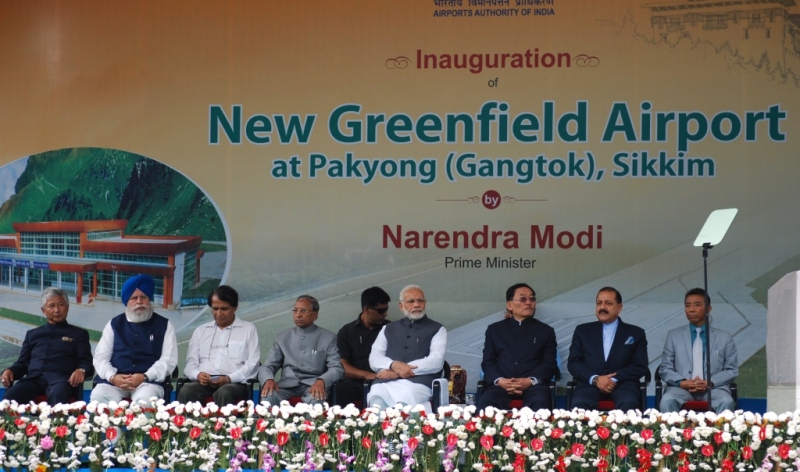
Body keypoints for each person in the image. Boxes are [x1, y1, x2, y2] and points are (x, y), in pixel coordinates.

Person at [90, 274, 178, 404]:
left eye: (143, 297)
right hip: (115, 381)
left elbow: (168, 360)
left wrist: (145, 377)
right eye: (134, 298)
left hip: (148, 382)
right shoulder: (114, 324)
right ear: (127, 301)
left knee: (146, 399)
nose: (139, 302)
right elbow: (101, 357)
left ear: (149, 299)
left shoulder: (165, 325)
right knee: (99, 395)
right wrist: (113, 377)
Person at [1, 288, 93, 405]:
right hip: (33, 380)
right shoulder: (32, 334)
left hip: (61, 381)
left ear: (67, 307)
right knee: (11, 395)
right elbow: (23, 363)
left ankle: (59, 419)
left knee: (57, 394)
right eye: (51, 306)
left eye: (61, 305)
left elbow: (86, 362)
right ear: (43, 310)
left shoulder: (78, 334)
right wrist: (9, 370)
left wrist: (81, 370)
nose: (57, 310)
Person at [479, 283, 558, 411]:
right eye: (523, 299)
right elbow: (488, 361)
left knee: (540, 401)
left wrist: (530, 381)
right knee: (487, 402)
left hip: (533, 386)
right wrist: (500, 381)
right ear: (509, 305)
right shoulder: (495, 330)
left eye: (532, 299)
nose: (529, 303)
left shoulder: (545, 331)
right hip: (501, 385)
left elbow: (549, 363)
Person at [367, 285, 447, 411]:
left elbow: (436, 361)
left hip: (419, 382)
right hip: (386, 381)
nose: (416, 305)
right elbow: (374, 358)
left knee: (407, 394)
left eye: (420, 301)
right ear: (401, 306)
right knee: (376, 395)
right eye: (411, 301)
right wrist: (392, 364)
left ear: (425, 303)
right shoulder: (388, 328)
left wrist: (398, 372)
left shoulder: (437, 329)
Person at [568, 287, 649, 411]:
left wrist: (613, 379)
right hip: (589, 384)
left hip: (623, 384)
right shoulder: (582, 331)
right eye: (599, 303)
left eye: (608, 303)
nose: (602, 307)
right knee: (580, 403)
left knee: (628, 402)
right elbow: (574, 363)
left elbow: (640, 366)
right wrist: (596, 379)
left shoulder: (635, 333)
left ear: (619, 307)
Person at [658, 288, 738, 413]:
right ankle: (672, 427)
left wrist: (710, 383)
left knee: (726, 401)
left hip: (714, 388)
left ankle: (720, 427)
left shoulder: (725, 338)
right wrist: (682, 382)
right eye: (687, 305)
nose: (691, 309)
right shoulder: (673, 335)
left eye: (697, 305)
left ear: (708, 309)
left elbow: (731, 370)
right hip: (681, 389)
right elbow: (665, 368)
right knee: (667, 400)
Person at [178, 286, 260, 405]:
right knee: (187, 390)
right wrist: (198, 375)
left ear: (235, 307)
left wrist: (229, 378)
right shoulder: (201, 330)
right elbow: (190, 364)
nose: (219, 313)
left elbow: (253, 363)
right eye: (215, 309)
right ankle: (187, 418)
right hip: (203, 382)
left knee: (225, 392)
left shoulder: (248, 329)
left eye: (224, 309)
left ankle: (225, 419)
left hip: (234, 383)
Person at [258, 295, 343, 405]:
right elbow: (267, 366)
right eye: (295, 310)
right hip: (286, 384)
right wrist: (268, 380)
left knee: (316, 399)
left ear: (315, 315)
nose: (298, 315)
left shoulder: (328, 337)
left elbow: (336, 368)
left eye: (303, 311)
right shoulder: (282, 337)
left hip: (313, 385)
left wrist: (322, 380)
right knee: (269, 396)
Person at [334, 286, 391, 407]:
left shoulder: (390, 329)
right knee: (340, 389)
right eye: (381, 310)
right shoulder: (347, 332)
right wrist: (368, 375)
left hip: (383, 381)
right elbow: (342, 366)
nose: (385, 314)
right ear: (366, 309)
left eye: (386, 309)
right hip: (354, 383)